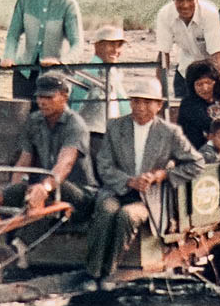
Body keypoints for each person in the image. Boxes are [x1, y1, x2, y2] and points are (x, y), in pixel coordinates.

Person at [86, 78, 205, 279]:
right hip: (116, 190)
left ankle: (109, 272)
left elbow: (196, 163)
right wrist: (128, 181)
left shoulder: (169, 133)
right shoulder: (115, 126)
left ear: (159, 106)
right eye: (136, 101)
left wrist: (163, 175)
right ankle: (93, 272)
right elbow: (104, 165)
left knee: (127, 216)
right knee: (106, 211)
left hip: (150, 197)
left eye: (147, 102)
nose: (140, 107)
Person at [0, 72, 97, 220]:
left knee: (48, 190)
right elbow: (24, 161)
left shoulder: (76, 125)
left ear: (64, 97)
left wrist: (45, 187)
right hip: (47, 185)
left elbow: (65, 164)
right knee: (12, 193)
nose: (42, 102)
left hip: (80, 193)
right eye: (39, 97)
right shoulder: (33, 121)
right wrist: (13, 191)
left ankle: (23, 242)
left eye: (49, 97)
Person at [1, 0, 83, 102]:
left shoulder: (68, 4)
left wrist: (60, 62)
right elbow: (13, 35)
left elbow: (77, 44)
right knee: (23, 120)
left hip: (52, 77)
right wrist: (9, 56)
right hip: (23, 73)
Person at [155, 0, 220, 99]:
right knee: (181, 109)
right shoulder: (165, 15)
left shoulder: (209, 13)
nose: (185, 5)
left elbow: (217, 55)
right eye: (180, 0)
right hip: (185, 69)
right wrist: (160, 95)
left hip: (210, 70)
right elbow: (163, 54)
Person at [69, 25, 131, 155]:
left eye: (119, 45)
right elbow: (76, 106)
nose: (115, 50)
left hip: (110, 134)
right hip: (93, 135)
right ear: (97, 46)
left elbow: (123, 104)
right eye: (111, 45)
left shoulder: (113, 70)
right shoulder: (89, 72)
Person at [176, 59, 220, 149]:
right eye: (199, 84)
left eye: (208, 83)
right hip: (195, 152)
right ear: (192, 86)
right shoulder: (188, 104)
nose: (205, 88)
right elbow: (212, 126)